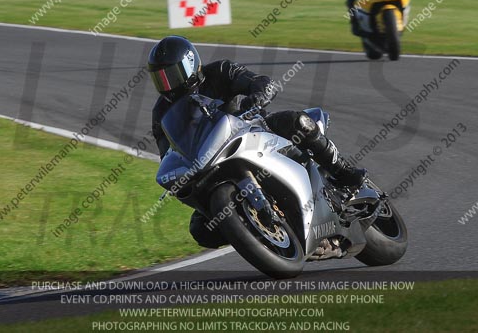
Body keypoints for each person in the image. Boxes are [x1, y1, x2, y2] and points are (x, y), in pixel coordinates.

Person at [148, 36, 366, 248]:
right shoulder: (161, 112)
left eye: (172, 75)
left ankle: (343, 171)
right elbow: (168, 152)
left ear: (190, 64)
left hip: (252, 130)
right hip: (210, 163)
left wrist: (258, 95)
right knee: (201, 230)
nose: (167, 84)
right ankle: (258, 236)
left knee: (298, 122)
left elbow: (259, 81)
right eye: (160, 78)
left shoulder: (219, 71)